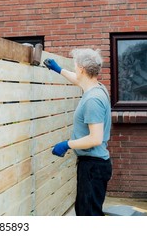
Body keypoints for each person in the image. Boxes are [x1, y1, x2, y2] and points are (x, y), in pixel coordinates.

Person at [44, 48, 112, 216]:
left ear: (82, 69)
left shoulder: (92, 100)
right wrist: (59, 70)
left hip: (93, 166)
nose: (75, 69)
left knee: (88, 214)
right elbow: (78, 80)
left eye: (75, 66)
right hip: (94, 164)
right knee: (86, 210)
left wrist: (67, 144)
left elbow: (95, 138)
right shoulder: (97, 88)